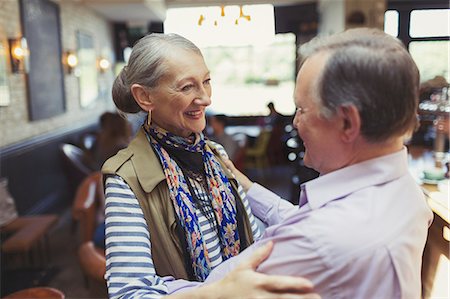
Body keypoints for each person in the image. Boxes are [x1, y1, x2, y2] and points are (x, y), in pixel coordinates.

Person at [148, 28, 434, 298]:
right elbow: (305, 219)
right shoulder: (407, 193)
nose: (296, 123)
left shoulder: (319, 242)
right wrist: (246, 185)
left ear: (348, 122)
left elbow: (220, 288)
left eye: (302, 109)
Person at [102, 33, 316, 299]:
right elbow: (128, 294)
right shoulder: (126, 178)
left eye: (206, 82)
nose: (205, 98)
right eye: (187, 87)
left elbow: (253, 240)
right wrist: (219, 292)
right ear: (145, 97)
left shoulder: (214, 155)